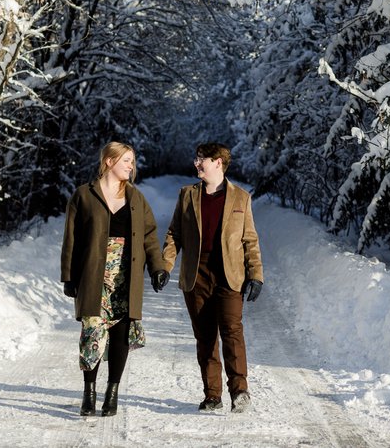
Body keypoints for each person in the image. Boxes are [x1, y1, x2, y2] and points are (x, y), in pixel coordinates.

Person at [60, 142, 169, 417]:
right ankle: (89, 391)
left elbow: (149, 237)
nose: (131, 166)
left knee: (120, 334)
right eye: (126, 161)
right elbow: (71, 239)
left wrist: (157, 267)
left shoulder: (136, 198)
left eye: (132, 162)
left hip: (126, 275)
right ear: (109, 161)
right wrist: (68, 276)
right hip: (93, 275)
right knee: (92, 334)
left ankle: (112, 392)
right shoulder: (84, 195)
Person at [159, 142, 264, 413]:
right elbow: (174, 234)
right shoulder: (187, 195)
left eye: (201, 159)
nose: (196, 164)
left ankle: (240, 391)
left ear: (218, 162)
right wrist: (165, 266)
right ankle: (212, 395)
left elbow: (249, 239)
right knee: (205, 336)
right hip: (197, 275)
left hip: (230, 276)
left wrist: (256, 275)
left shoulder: (241, 197)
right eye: (196, 159)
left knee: (232, 331)